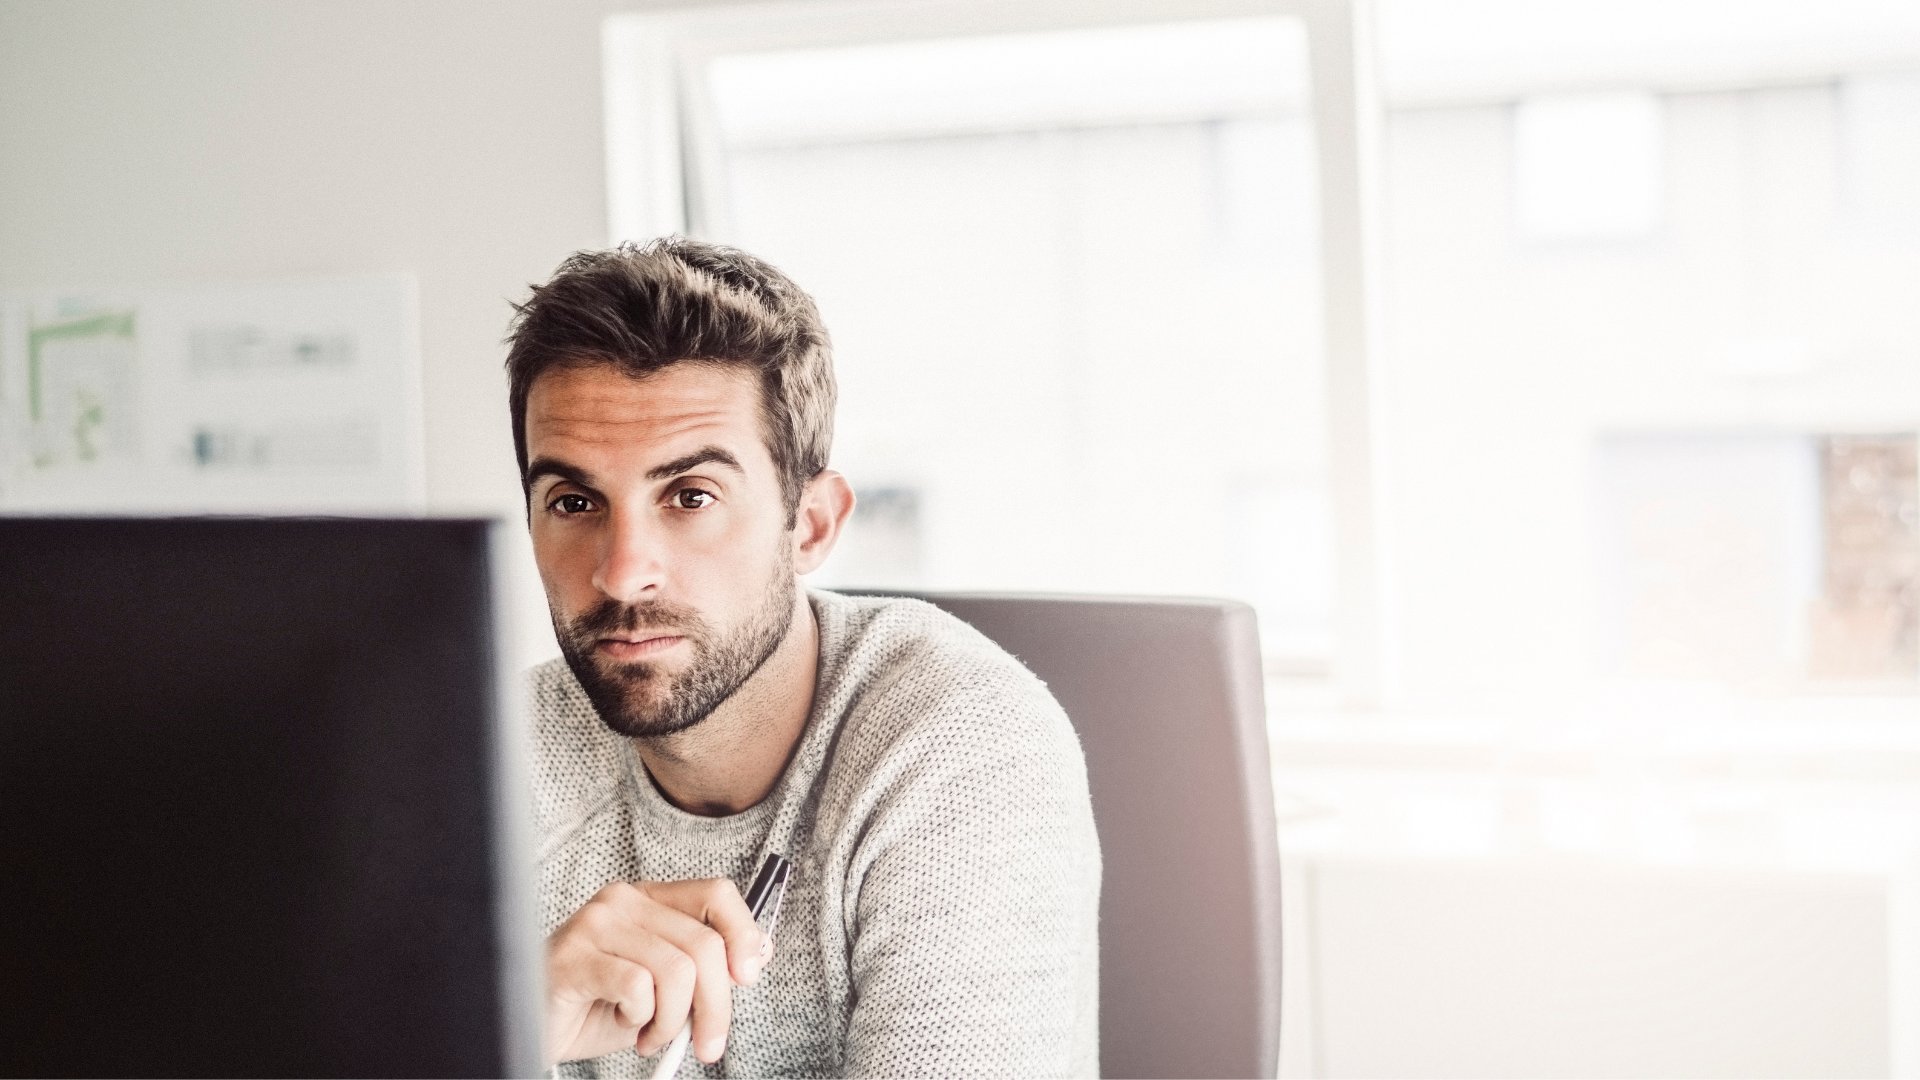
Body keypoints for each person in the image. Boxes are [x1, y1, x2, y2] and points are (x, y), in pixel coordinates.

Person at [507, 238, 1102, 1078]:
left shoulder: (960, 746)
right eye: (573, 501)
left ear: (811, 525)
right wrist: (498, 1037)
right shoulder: (490, 764)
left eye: (691, 497)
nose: (621, 568)